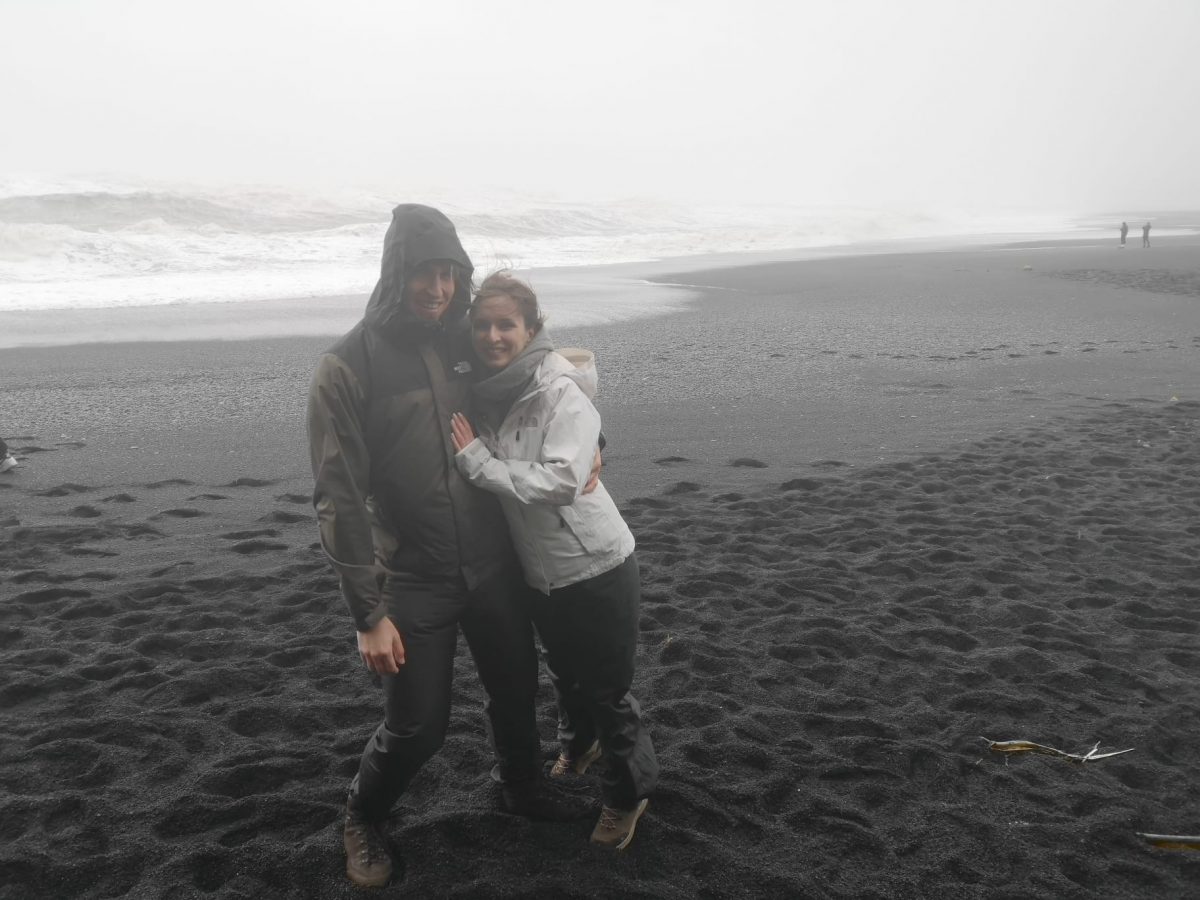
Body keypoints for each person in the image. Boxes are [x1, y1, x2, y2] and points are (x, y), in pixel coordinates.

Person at [307, 205, 589, 889]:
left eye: (448, 275)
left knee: (516, 688)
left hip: (493, 562)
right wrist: (367, 615)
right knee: (418, 729)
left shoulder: (469, 335)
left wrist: (592, 441)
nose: (437, 290)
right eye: (424, 275)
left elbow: (555, 372)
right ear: (394, 272)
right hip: (413, 575)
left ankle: (518, 786)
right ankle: (362, 815)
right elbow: (337, 496)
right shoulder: (348, 365)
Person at [450, 272, 659, 851]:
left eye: (506, 325)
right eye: (483, 325)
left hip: (597, 564)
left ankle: (626, 796)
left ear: (533, 329)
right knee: (567, 675)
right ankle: (578, 747)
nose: (493, 335)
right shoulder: (482, 389)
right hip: (538, 571)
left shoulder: (558, 391)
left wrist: (477, 464)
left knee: (608, 690)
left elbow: (564, 480)